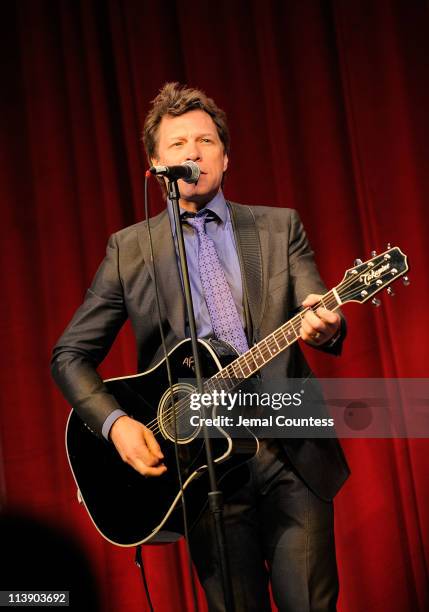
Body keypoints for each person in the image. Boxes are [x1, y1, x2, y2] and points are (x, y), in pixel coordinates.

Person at [51, 82, 350, 612]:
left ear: (226, 155)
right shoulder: (129, 251)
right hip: (199, 469)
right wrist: (117, 425)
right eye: (178, 144)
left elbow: (316, 307)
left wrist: (325, 324)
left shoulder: (280, 227)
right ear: (155, 165)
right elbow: (69, 356)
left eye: (206, 141)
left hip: (290, 453)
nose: (193, 152)